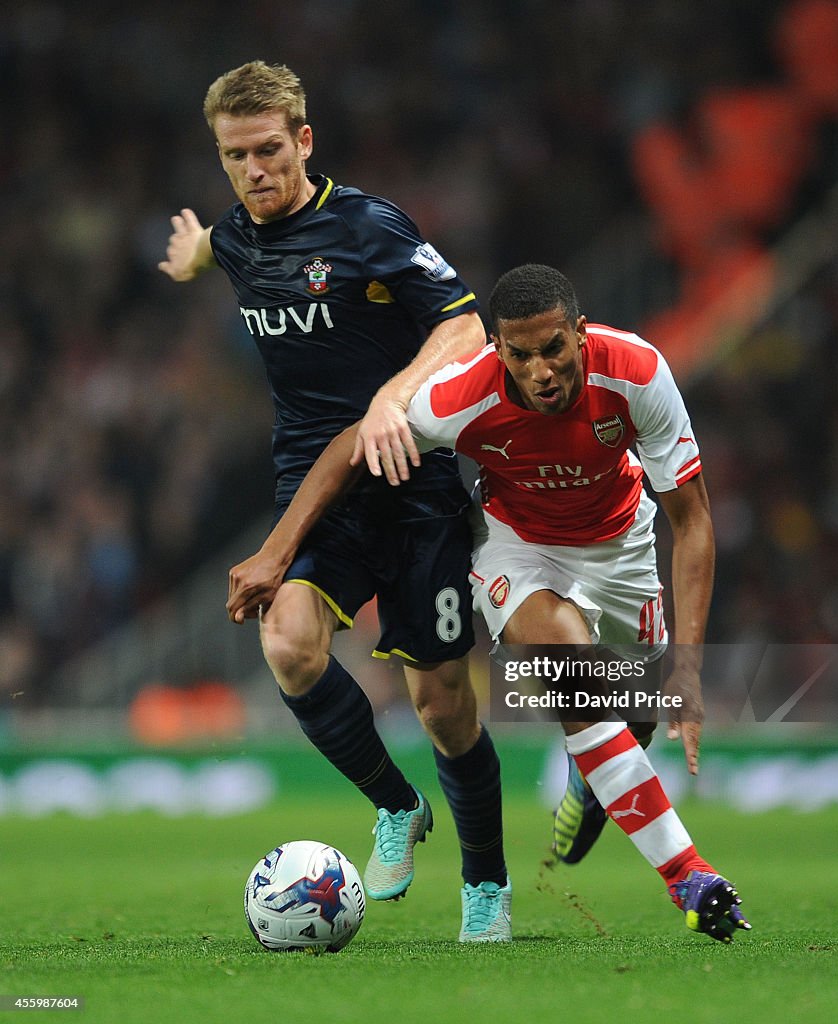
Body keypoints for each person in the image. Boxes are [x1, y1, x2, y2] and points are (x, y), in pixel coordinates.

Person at [240, 264, 751, 943]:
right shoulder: (460, 398)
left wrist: (686, 666)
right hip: (519, 547)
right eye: (520, 355)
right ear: (499, 350)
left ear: (581, 333)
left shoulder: (637, 371)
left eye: (553, 350)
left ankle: (590, 776)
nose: (539, 370)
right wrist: (276, 552)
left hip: (621, 544)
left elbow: (691, 521)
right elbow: (353, 447)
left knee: (636, 720)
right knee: (574, 678)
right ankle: (688, 874)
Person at [158, 61, 510, 943]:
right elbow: (217, 247)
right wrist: (191, 251)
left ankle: (487, 886)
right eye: (235, 156)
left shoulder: (366, 226)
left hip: (413, 483)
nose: (254, 171)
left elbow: (466, 323)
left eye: (270, 150)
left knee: (441, 705)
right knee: (288, 642)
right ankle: (396, 806)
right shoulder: (239, 236)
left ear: (304, 141)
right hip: (314, 488)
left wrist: (395, 396)